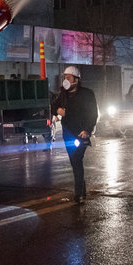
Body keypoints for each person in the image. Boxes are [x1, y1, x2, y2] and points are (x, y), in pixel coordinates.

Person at [52, 65, 99, 203]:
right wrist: (58, 111)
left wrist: (87, 130)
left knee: (77, 161)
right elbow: (53, 106)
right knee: (75, 162)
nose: (65, 80)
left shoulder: (87, 94)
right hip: (68, 133)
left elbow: (92, 114)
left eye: (68, 77)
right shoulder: (63, 94)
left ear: (76, 80)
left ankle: (78, 194)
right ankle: (82, 192)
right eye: (64, 77)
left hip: (81, 133)